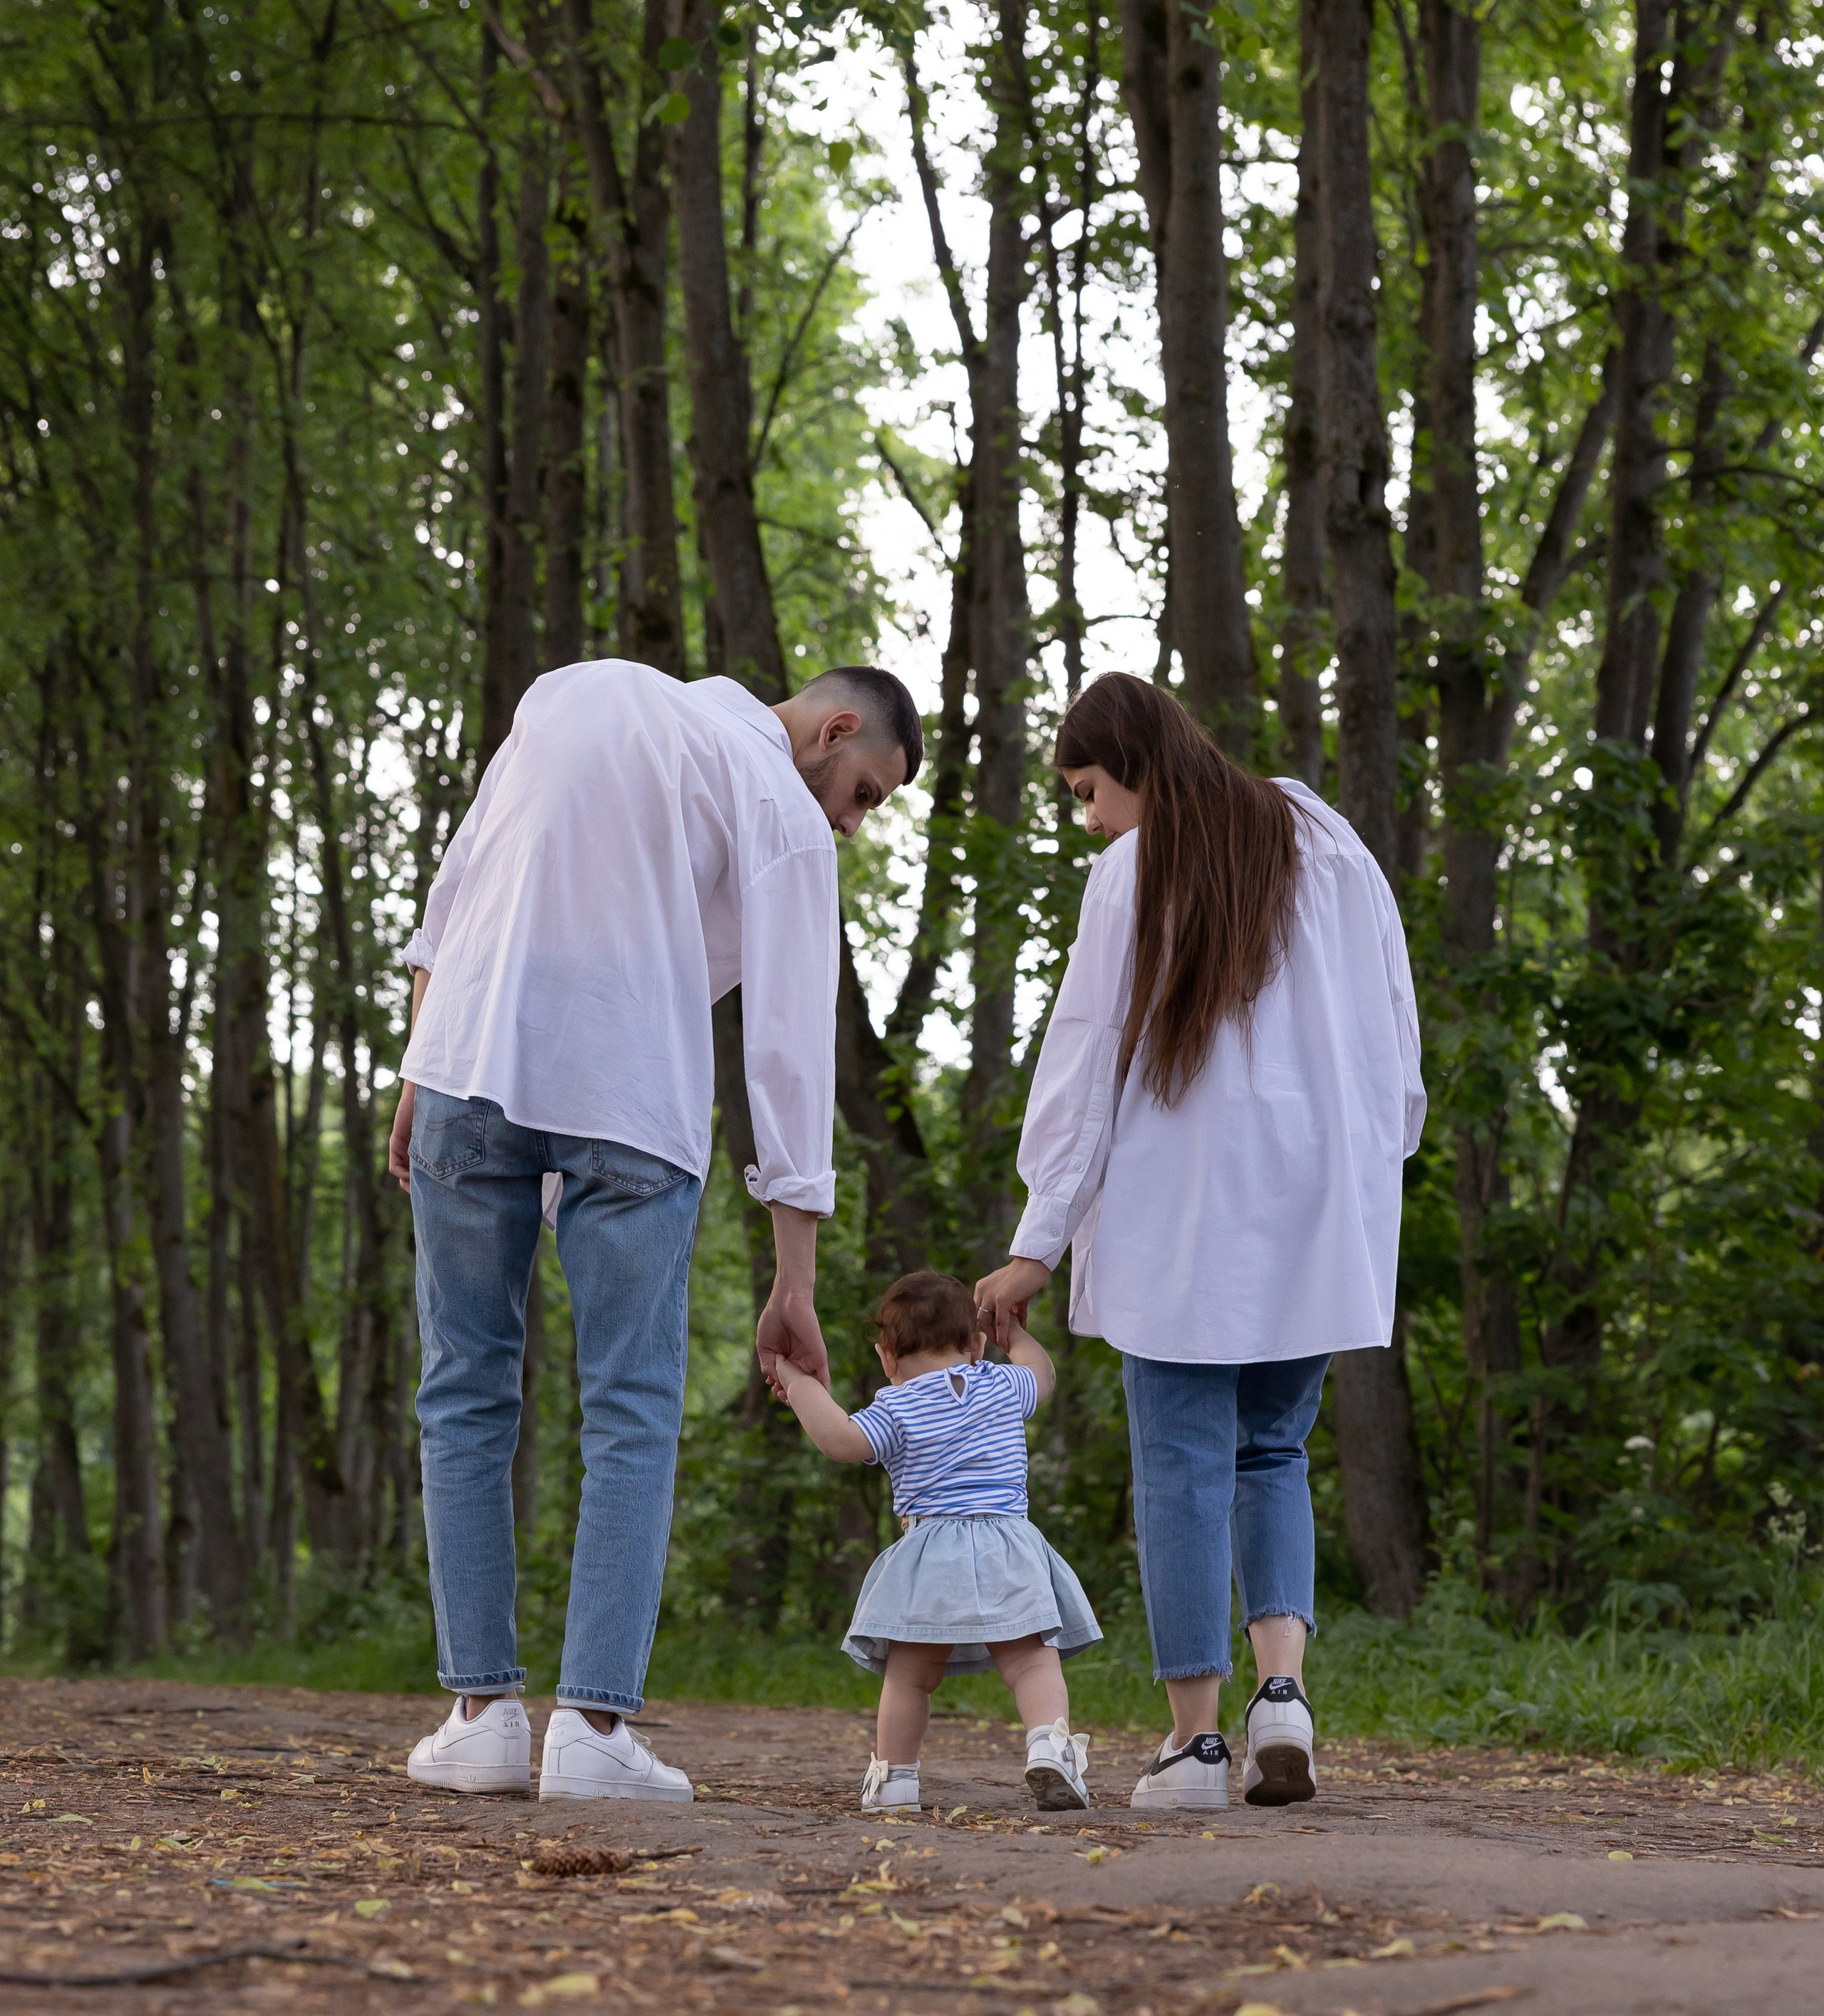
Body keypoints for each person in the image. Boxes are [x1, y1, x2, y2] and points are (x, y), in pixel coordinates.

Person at [390, 658, 922, 1805]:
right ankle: (591, 1727)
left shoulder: (570, 690)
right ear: (834, 730)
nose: (852, 819)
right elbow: (785, 1046)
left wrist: (418, 1063)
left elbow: (460, 882)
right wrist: (796, 1277)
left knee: (464, 1390)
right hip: (631, 1099)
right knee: (630, 1405)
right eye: (866, 792)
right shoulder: (780, 804)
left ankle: (481, 1717)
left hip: (465, 1064)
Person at [976, 672, 1424, 1814]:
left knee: (1180, 1466)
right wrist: (1376, 1173)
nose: (1089, 820)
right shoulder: (1330, 843)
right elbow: (1397, 1033)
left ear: (1132, 761)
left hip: (1184, 1213)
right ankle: (1285, 1691)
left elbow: (1084, 1068)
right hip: (1320, 1206)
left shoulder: (1135, 872)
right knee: (1272, 1451)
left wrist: (1040, 1240)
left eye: (1088, 791)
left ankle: (1195, 1747)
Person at [773, 1268, 1101, 1813]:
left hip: (933, 1551)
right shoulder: (1000, 1382)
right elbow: (1043, 1374)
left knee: (910, 1676)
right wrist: (1013, 1335)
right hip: (1009, 1545)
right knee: (1032, 1663)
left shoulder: (896, 1406)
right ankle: (1051, 1744)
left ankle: (896, 1777)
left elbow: (839, 1440)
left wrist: (797, 1378)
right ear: (976, 1345)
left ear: (886, 1357)